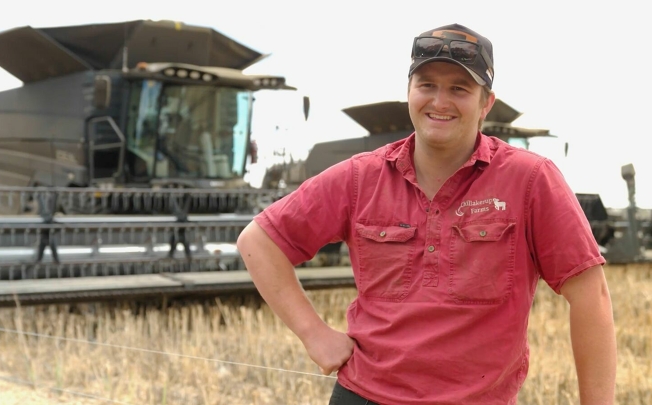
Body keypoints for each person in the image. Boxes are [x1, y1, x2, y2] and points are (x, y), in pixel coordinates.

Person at [236, 23, 617, 404]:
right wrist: (313, 333)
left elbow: (591, 295)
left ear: (487, 103)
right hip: (364, 396)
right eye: (427, 85)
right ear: (408, 93)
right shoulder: (358, 178)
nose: (440, 101)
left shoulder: (530, 179)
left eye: (459, 88)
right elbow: (258, 241)